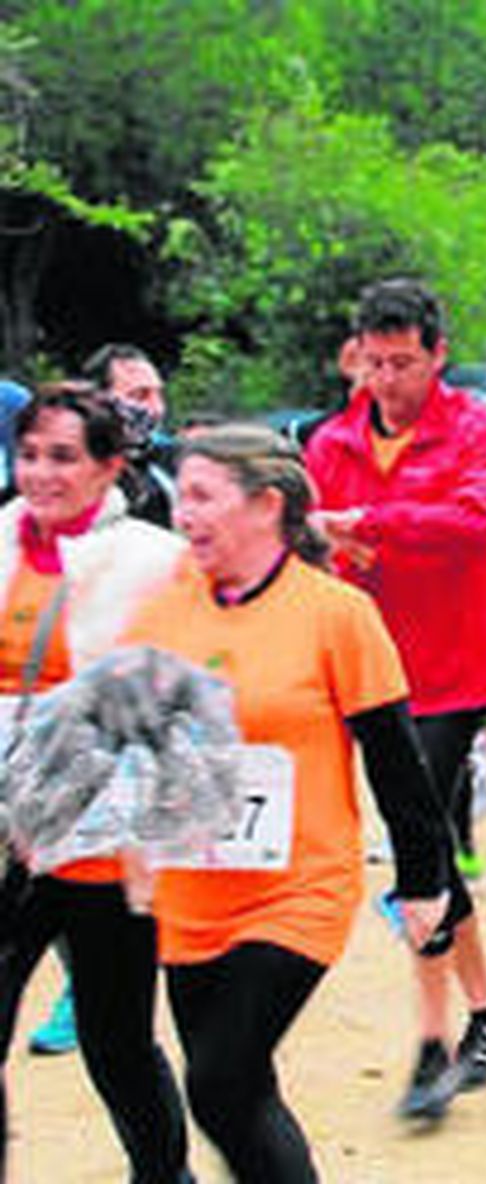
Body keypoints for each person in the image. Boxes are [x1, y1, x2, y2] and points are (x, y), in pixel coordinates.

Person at [122, 425, 457, 1180]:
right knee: (239, 1095)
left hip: (297, 889)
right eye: (184, 496)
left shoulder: (336, 614)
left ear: (267, 505)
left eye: (204, 496)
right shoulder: (163, 614)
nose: (185, 514)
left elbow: (396, 762)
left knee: (215, 1083)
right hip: (192, 892)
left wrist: (425, 878)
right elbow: (135, 745)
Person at [304, 278, 486, 1119]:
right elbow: (316, 542)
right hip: (365, 666)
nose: (388, 379)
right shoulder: (331, 440)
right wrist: (339, 545)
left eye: (404, 362)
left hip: (452, 671)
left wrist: (374, 521)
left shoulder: (479, 430)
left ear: (438, 355)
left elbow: (476, 522)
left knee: (418, 843)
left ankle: (433, 1046)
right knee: (422, 836)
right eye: (375, 362)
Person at [0, 386, 191, 1182]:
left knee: (116, 1043)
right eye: (30, 453)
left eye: (64, 457)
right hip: (10, 840)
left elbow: (183, 705)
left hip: (107, 847)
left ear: (110, 466)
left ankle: (164, 1177)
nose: (40, 473)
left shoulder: (154, 561)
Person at [82, 344, 176, 530]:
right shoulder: (74, 473)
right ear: (99, 399)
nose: (157, 408)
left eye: (159, 394)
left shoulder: (169, 462)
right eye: (140, 395)